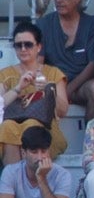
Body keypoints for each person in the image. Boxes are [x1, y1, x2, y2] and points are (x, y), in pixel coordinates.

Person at [38, 0, 94, 118]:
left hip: (82, 85)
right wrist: (55, 90)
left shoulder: (92, 24)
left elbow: (93, 65)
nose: (59, 0)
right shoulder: (44, 24)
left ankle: (93, 140)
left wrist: (67, 91)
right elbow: (38, 64)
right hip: (52, 85)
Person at [0, 20, 67, 164]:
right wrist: (18, 87)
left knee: (31, 124)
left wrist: (48, 89)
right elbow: (0, 104)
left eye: (28, 44)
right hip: (12, 127)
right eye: (19, 45)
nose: (23, 49)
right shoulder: (6, 74)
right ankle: (14, 182)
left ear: (38, 47)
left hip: (45, 130)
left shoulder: (53, 73)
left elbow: (62, 111)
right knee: (7, 127)